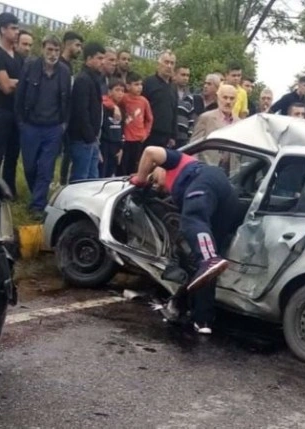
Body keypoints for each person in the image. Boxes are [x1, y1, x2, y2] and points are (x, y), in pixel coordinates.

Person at [130, 147, 238, 334]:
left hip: (205, 180)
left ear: (160, 168)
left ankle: (209, 257)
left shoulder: (174, 160)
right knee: (207, 268)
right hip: (226, 196)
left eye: (154, 179)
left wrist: (140, 179)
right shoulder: (177, 188)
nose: (157, 186)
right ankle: (203, 320)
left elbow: (149, 151)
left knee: (192, 221)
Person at [15, 35, 71, 220]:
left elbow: (67, 100)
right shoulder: (30, 67)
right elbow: (20, 95)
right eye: (49, 49)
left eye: (56, 50)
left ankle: (38, 205)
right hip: (30, 125)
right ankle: (36, 194)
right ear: (42, 49)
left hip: (53, 128)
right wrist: (21, 122)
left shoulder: (64, 71)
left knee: (46, 168)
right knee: (30, 166)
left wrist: (64, 124)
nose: (53, 54)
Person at [0, 12, 22, 198]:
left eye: (17, 28)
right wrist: (17, 83)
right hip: (1, 111)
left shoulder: (18, 56)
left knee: (13, 155)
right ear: (2, 29)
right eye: (13, 28)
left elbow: (20, 83)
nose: (16, 32)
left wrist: (14, 82)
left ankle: (8, 191)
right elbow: (6, 87)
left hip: (17, 112)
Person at [68, 42, 105, 181]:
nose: (102, 62)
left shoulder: (94, 79)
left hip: (91, 139)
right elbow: (81, 111)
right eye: (99, 58)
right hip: (82, 139)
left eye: (103, 58)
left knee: (92, 179)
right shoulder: (83, 80)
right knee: (80, 179)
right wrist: (89, 136)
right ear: (89, 59)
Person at [58, 31, 84, 186]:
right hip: (58, 118)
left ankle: (62, 182)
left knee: (68, 153)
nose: (80, 49)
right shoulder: (59, 65)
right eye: (77, 45)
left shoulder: (70, 66)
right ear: (67, 44)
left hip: (68, 117)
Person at [120, 72, 153, 175]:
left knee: (134, 166)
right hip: (125, 139)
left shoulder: (144, 101)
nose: (139, 87)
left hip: (138, 139)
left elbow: (150, 119)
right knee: (122, 166)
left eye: (141, 84)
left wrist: (146, 133)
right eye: (136, 84)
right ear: (128, 86)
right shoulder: (123, 98)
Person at [143, 50, 178, 149]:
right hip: (150, 134)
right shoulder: (148, 83)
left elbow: (174, 111)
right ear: (158, 64)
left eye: (172, 63)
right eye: (166, 62)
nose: (169, 66)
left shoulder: (173, 87)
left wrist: (173, 136)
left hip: (167, 136)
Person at [100, 81, 126, 178]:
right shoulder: (104, 108)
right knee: (101, 173)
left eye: (122, 91)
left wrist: (121, 148)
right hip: (104, 145)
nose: (120, 93)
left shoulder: (122, 111)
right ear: (110, 92)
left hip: (116, 147)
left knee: (110, 174)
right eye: (117, 90)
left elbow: (122, 131)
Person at [174, 65, 196, 148]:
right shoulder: (169, 92)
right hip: (169, 136)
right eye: (183, 75)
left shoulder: (190, 97)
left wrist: (189, 137)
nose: (186, 78)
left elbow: (191, 119)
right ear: (175, 75)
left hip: (183, 138)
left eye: (187, 75)